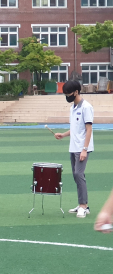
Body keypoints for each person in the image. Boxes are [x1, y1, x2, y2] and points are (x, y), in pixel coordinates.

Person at [54, 80, 94, 218]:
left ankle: (84, 205)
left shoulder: (86, 107)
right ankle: (82, 204)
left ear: (76, 92)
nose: (67, 96)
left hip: (82, 147)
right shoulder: (73, 108)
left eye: (68, 93)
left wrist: (84, 149)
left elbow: (89, 130)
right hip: (73, 147)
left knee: (79, 174)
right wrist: (63, 135)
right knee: (76, 176)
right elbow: (75, 129)